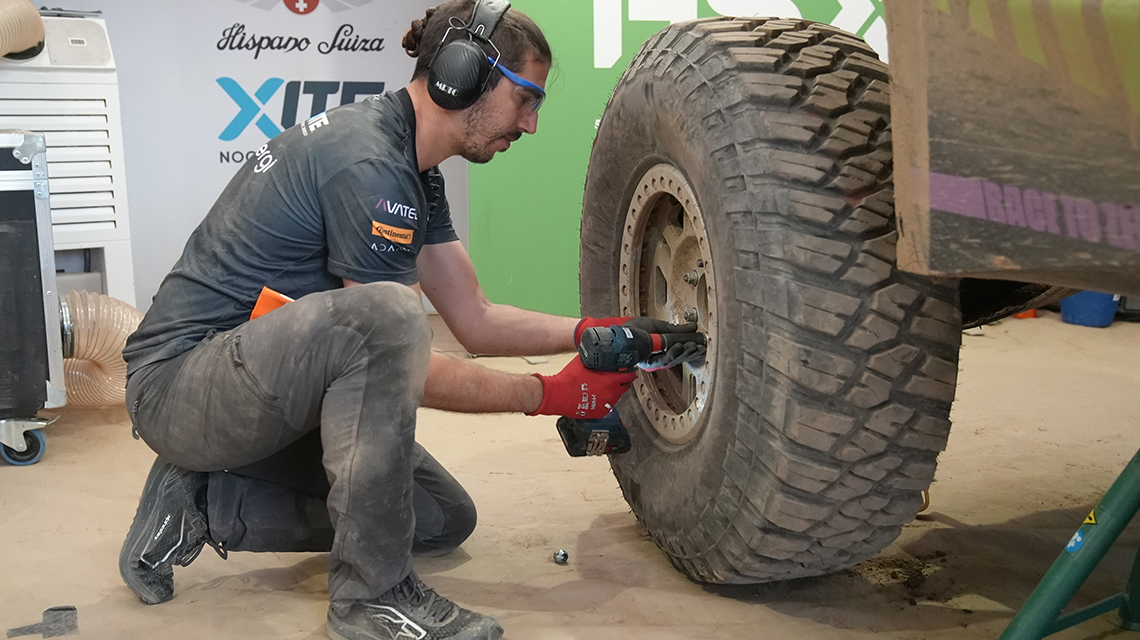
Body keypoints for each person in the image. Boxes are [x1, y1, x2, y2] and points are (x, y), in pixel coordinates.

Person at [117, 2, 703, 640]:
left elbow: (475, 320)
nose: (531, 125)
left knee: (440, 517)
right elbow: (402, 358)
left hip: (254, 383)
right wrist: (543, 393)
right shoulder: (369, 164)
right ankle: (371, 597)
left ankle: (199, 499)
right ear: (463, 77)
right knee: (391, 317)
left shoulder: (412, 170)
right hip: (180, 387)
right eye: (526, 98)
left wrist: (592, 332)